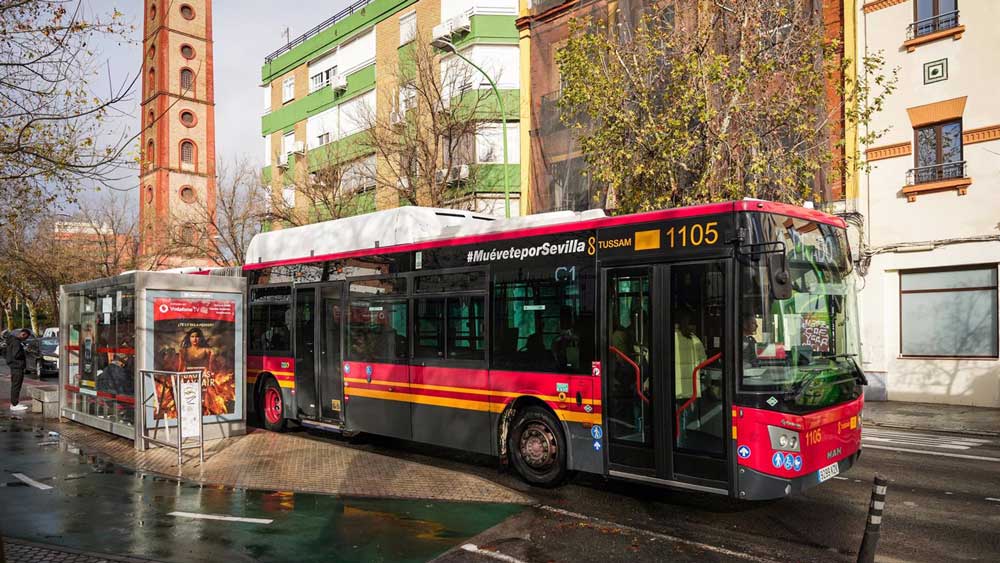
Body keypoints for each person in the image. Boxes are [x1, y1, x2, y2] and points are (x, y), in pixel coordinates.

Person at [5, 329, 31, 412]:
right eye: (25, 337)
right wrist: (24, 351)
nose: (25, 339)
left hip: (14, 366)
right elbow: (16, 354)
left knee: (15, 385)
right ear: (23, 334)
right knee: (16, 385)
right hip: (17, 366)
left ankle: (15, 403)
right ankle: (14, 404)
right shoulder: (16, 342)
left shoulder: (12, 341)